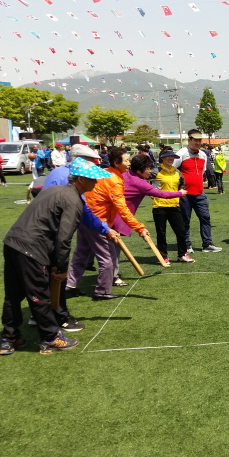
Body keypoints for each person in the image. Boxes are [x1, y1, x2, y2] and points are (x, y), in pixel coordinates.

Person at [0, 158, 113, 356]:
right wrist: (60, 269)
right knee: (39, 296)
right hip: (31, 249)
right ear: (79, 179)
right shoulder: (73, 200)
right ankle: (51, 337)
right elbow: (64, 239)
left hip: (12, 243)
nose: (97, 183)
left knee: (13, 295)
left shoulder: (54, 190)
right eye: (93, 179)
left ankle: (8, 338)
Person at [43, 144, 120, 329]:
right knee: (55, 272)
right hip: (51, 231)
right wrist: (105, 229)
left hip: (45, 229)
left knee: (50, 271)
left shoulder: (60, 173)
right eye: (90, 163)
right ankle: (53, 315)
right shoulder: (68, 179)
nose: (94, 176)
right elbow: (83, 211)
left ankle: (45, 312)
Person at [66, 147, 151, 300]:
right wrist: (139, 228)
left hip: (85, 218)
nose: (129, 163)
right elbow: (122, 208)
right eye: (126, 160)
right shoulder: (114, 180)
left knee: (81, 254)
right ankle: (102, 290)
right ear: (116, 162)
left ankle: (70, 285)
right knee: (108, 257)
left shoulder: (103, 172)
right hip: (98, 222)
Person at [112, 154, 187, 266]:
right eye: (147, 168)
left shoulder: (125, 175)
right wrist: (179, 193)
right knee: (109, 250)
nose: (150, 171)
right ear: (138, 170)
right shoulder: (140, 182)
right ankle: (112, 277)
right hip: (114, 215)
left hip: (107, 213)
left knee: (90, 249)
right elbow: (160, 193)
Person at [175, 129, 222, 253]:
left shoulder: (203, 155)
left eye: (199, 140)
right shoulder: (181, 153)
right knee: (185, 220)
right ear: (189, 140)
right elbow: (171, 170)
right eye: (195, 140)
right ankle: (186, 245)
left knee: (205, 218)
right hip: (185, 194)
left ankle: (207, 244)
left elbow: (202, 173)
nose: (198, 142)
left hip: (200, 193)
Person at [153, 148, 194, 263]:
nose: (171, 159)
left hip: (174, 206)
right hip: (159, 206)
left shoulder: (177, 172)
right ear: (162, 158)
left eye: (172, 157)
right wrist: (151, 192)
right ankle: (163, 256)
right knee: (161, 233)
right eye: (168, 156)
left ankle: (182, 254)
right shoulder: (156, 171)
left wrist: (181, 190)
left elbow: (182, 184)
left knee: (180, 231)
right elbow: (145, 182)